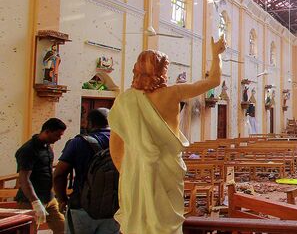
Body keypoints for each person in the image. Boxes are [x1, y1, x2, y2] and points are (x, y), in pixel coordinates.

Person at [109, 35, 226, 234]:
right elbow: (213, 80)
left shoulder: (124, 100)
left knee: (137, 222)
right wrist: (216, 55)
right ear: (162, 70)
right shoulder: (173, 93)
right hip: (166, 169)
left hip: (135, 170)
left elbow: (116, 146)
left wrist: (130, 172)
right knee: (165, 223)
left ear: (137, 69)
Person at [53, 108, 119, 234]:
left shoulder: (78, 142)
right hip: (113, 208)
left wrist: (62, 199)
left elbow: (59, 174)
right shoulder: (122, 142)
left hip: (81, 206)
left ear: (90, 122)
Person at [15, 118, 67, 233]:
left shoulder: (47, 146)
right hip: (30, 200)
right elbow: (24, 179)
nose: (59, 138)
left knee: (63, 229)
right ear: (47, 131)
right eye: (57, 135)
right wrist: (35, 202)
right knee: (28, 231)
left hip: (49, 198)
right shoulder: (28, 150)